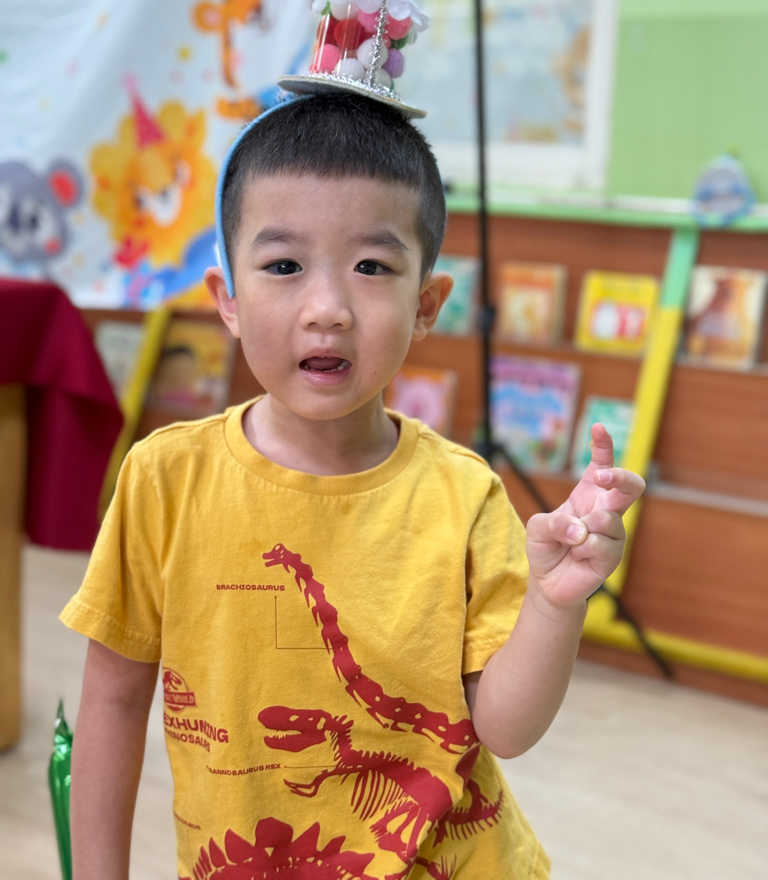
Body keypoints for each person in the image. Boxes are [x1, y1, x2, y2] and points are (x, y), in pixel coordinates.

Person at [62, 93, 645, 880]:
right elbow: (112, 700)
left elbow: (505, 730)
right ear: (228, 300)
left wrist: (554, 603)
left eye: (372, 267)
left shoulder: (465, 494)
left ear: (426, 305)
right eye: (283, 266)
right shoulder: (163, 478)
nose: (327, 309)